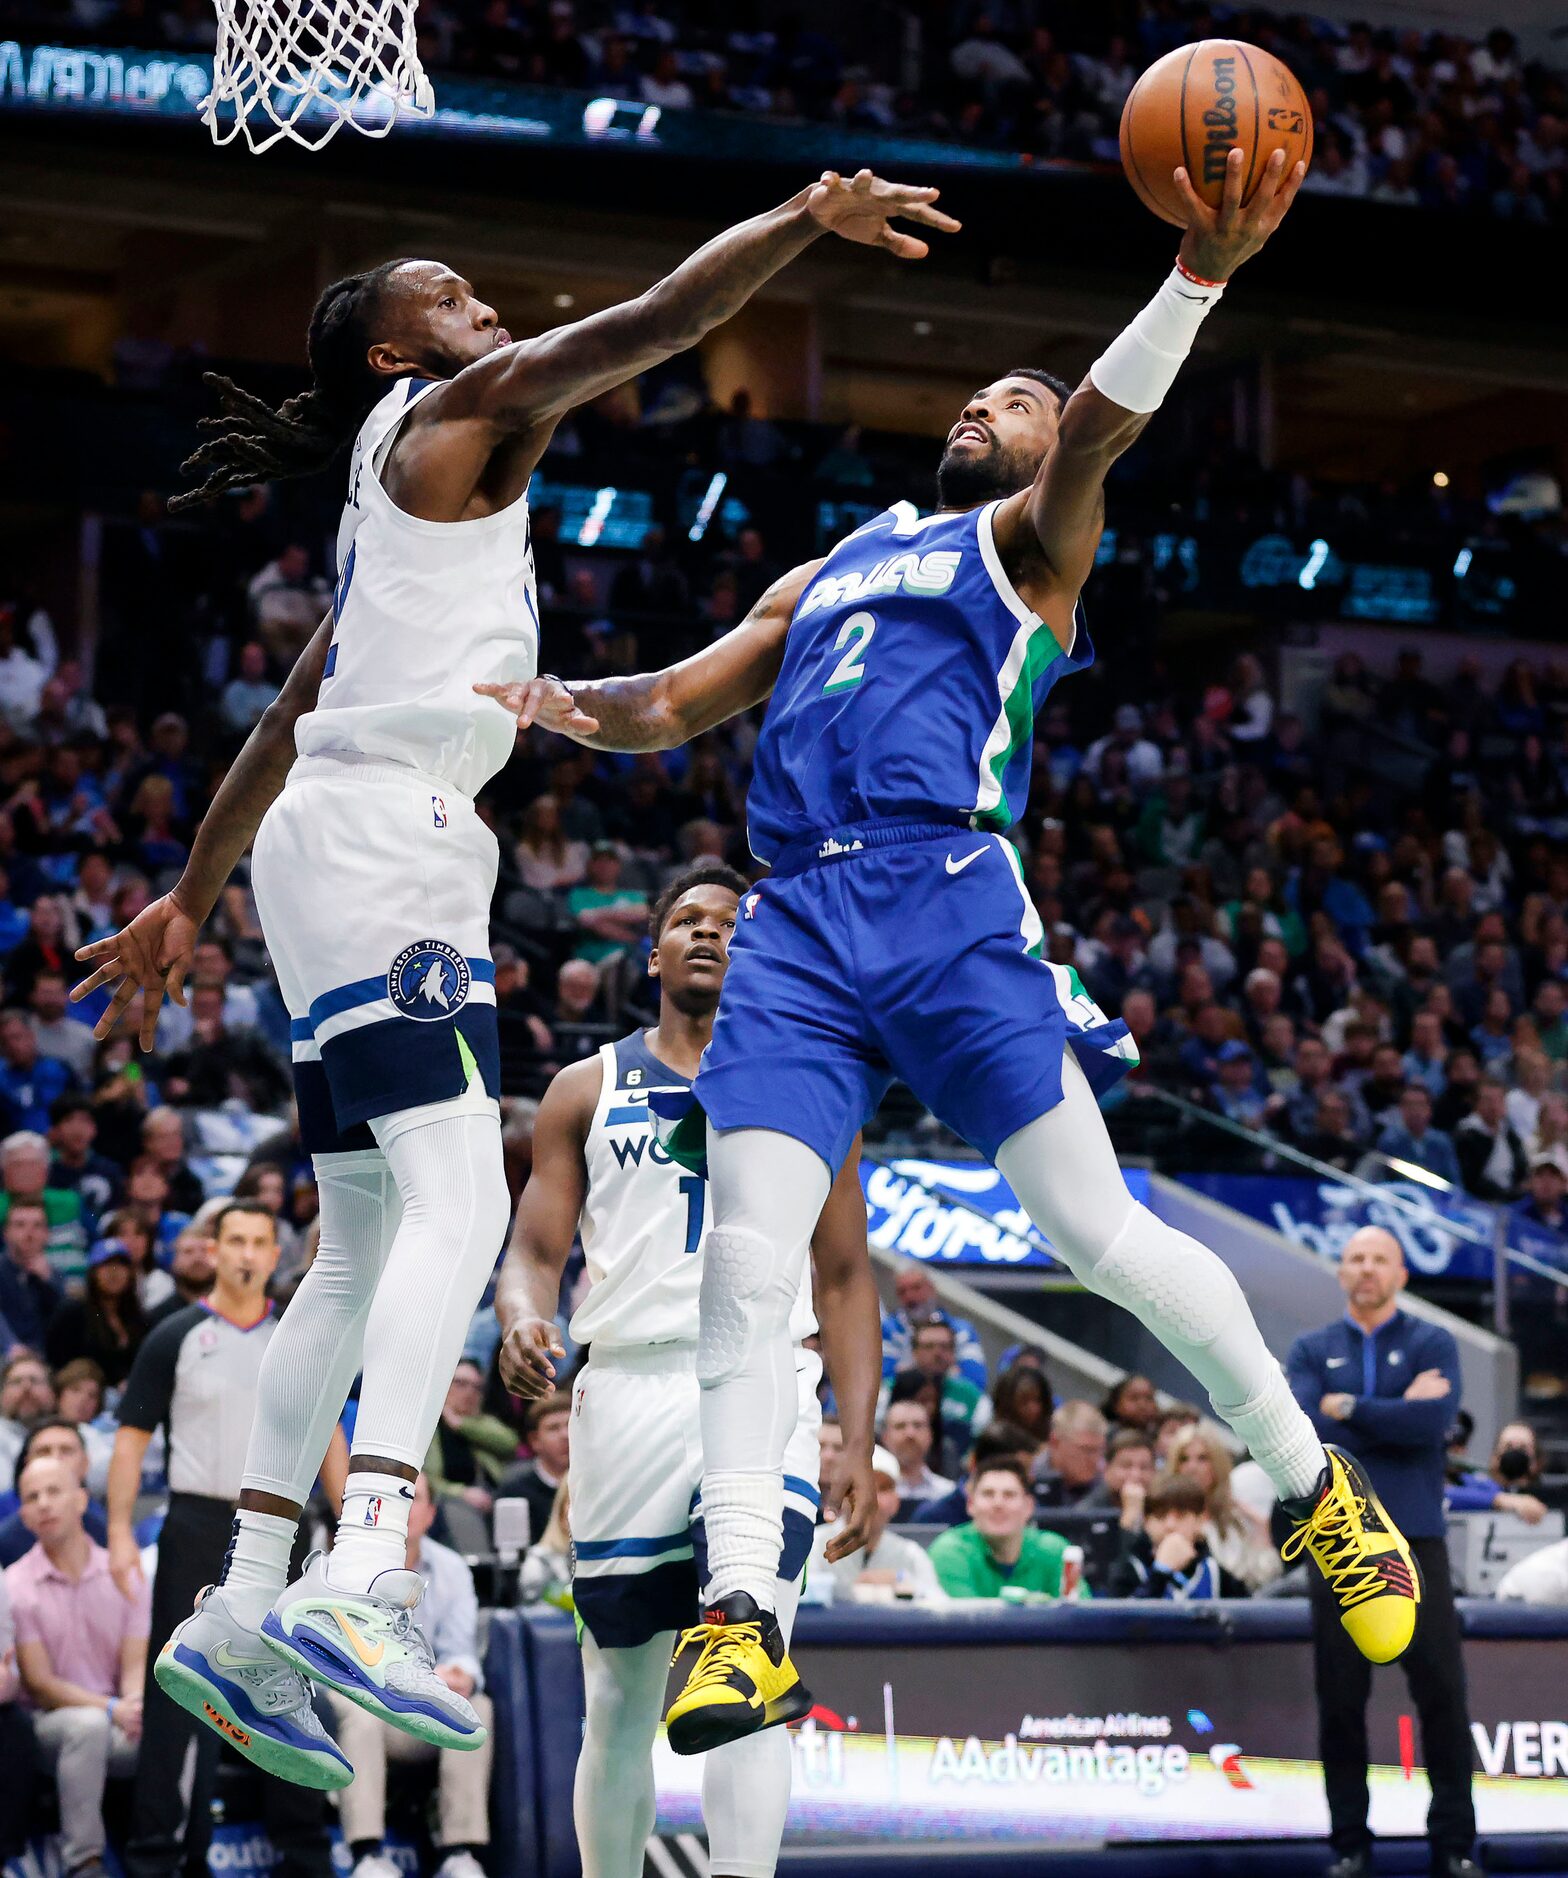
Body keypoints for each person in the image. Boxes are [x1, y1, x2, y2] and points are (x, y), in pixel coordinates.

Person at [483, 146, 1416, 1746]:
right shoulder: (832, 565)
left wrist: (1196, 273)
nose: (997, 401)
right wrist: (543, 702)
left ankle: (1311, 1482)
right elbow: (668, 705)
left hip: (948, 895)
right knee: (744, 1261)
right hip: (796, 920)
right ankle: (743, 1614)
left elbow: (1111, 422)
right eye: (984, 394)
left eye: (1025, 397)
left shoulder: (1033, 546)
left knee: (1097, 1229)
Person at [78, 169, 953, 1786]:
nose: (482, 305)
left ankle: (236, 1604)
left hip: (319, 840)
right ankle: (373, 1560)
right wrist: (794, 221)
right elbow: (659, 322)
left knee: (355, 1245)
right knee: (458, 1206)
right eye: (451, 292)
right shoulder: (449, 410)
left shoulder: (378, 511)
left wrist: (190, 901)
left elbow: (276, 728)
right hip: (392, 841)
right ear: (395, 350)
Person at [492, 862, 880, 1878]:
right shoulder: (585, 1088)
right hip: (626, 1386)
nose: (710, 934)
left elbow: (843, 1278)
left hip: (760, 1385)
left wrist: (862, 1438)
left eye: (731, 924)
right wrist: (523, 1320)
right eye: (688, 921)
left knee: (748, 1668)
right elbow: (532, 1256)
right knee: (618, 1696)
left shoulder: (811, 1082)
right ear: (651, 951)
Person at [108, 1202, 341, 1874]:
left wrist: (353, 1521)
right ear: (213, 1251)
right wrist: (121, 1532)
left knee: (290, 1687)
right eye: (234, 1240)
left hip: (283, 1531)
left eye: (258, 1243)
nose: (245, 1254)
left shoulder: (298, 1338)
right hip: (195, 1525)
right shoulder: (175, 1335)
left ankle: (301, 1851)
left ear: (276, 1255)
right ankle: (162, 1855)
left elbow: (327, 1433)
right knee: (179, 1690)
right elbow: (129, 1442)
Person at [1287, 1227, 1476, 1878]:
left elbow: (1431, 1424)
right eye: (1355, 1259)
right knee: (1340, 1703)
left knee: (1444, 1698)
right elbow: (1308, 1431)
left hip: (1418, 1540)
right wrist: (1387, 1411)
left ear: (1401, 1273)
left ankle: (1454, 1848)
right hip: (1340, 1548)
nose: (1366, 1270)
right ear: (1340, 1273)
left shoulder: (1434, 1340)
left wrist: (1351, 1407)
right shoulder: (1311, 1348)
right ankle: (1349, 1847)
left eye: (1379, 1260)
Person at [330, 1476, 492, 1878]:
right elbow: (335, 1657)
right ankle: (367, 1854)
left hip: (421, 1707)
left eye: (414, 1499)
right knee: (359, 1712)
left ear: (431, 1513)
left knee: (477, 1707)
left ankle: (459, 1853)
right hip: (362, 1700)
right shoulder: (347, 1567)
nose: (404, 1510)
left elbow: (461, 1652)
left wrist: (462, 1676)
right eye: (394, 1501)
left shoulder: (451, 1568)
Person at [5, 1451, 148, 1878]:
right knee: (86, 1726)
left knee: (177, 1727)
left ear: (82, 1500)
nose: (44, 1503)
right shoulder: (13, 1583)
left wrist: (135, 1703)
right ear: (25, 1516)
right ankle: (83, 1863)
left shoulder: (126, 1572)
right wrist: (110, 1709)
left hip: (119, 1720)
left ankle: (168, 1850)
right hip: (51, 1728)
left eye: (54, 1491)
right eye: (32, 1497)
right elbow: (41, 1684)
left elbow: (135, 1661)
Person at [803, 1446, 947, 1605]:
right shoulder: (813, 1544)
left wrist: (902, 1580)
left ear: (896, 1501)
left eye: (883, 1489)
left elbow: (939, 1605)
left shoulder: (910, 1554)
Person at [929, 1457, 1082, 1600]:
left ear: (1028, 1507)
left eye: (1009, 1495)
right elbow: (966, 1622)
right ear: (970, 1504)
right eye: (988, 1494)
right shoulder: (949, 1552)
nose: (998, 1504)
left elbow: (1080, 1617)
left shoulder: (1056, 1551)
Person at [1167, 1422, 1282, 1590]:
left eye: (1202, 1458)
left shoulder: (1237, 1517)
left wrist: (1261, 1532)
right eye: (1184, 1459)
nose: (1192, 1468)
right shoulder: (1163, 1517)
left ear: (1216, 1466)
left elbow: (1265, 1578)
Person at [1106, 1472, 1250, 1600]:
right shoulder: (1129, 1568)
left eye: (1181, 1516)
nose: (1170, 1525)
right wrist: (1161, 1573)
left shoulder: (1215, 1572)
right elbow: (1122, 1624)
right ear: (1146, 1521)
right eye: (1160, 1516)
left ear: (1200, 1520)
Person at [0, 1419, 110, 1567]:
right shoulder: (5, 1541)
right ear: (27, 1464)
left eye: (66, 1451)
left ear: (85, 1463)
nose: (55, 1458)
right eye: (44, 1451)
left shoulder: (108, 1532)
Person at [45, 1239, 146, 1386]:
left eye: (121, 1265)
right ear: (93, 1272)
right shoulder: (72, 1312)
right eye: (106, 1265)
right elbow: (57, 1364)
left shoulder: (138, 1317)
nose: (114, 1272)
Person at [423, 1359, 516, 1516]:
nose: (469, 1392)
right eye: (460, 1383)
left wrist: (461, 1424)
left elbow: (510, 1443)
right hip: (446, 1505)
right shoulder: (428, 1427)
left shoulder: (480, 1422)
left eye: (476, 1387)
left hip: (492, 1499)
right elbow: (426, 1481)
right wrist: (461, 1493)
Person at [879, 1260, 988, 1392]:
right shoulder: (888, 1330)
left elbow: (976, 1381)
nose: (910, 1297)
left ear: (932, 1288)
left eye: (916, 1288)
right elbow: (882, 1381)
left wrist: (906, 1371)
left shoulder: (961, 1330)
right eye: (902, 1291)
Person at [493, 1391, 571, 1546]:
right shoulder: (513, 1492)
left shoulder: (597, 1485)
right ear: (535, 1440)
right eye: (553, 1428)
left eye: (570, 1425)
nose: (565, 1435)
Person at [1445, 1420, 1549, 1522]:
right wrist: (1501, 1500)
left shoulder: (1550, 1495)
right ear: (1495, 1458)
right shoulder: (1477, 1487)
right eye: (1508, 1447)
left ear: (1536, 1461)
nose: (1515, 1454)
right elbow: (1444, 1495)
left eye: (1523, 1448)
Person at [1, 1198, 61, 1353]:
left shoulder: (55, 1275)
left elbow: (67, 1322)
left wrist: (48, 1281)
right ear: (5, 1233)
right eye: (20, 1225)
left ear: (47, 1234)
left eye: (37, 1225)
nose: (29, 1233)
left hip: (46, 1362)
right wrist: (11, 1346)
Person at [880, 1397, 954, 1512]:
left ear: (930, 1435)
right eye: (900, 1426)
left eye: (918, 1425)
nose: (910, 1434)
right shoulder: (871, 1494)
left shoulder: (948, 1493)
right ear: (885, 1437)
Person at [1031, 1400, 1107, 1509]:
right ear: (1055, 1442)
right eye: (1086, 1450)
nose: (1095, 1459)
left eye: (1099, 1450)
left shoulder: (1107, 1480)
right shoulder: (1027, 1477)